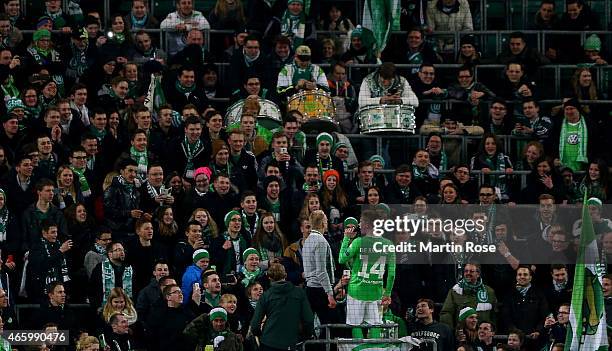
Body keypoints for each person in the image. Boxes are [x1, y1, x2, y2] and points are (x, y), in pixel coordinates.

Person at [338, 209, 396, 338]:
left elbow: (341, 259)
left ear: (367, 224)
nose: (359, 225)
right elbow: (391, 274)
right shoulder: (389, 244)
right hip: (376, 292)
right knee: (375, 324)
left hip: (356, 291)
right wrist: (387, 293)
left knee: (355, 325)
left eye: (361, 222)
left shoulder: (358, 242)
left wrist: (346, 238)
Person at [250, 263, 314, 349]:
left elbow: (254, 325)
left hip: (268, 342)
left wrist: (261, 335)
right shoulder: (299, 293)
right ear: (286, 275)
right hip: (291, 342)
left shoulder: (265, 296)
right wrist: (305, 336)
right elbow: (309, 319)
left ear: (269, 277)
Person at [303, 210, 337, 328]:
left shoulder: (307, 240)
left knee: (313, 325)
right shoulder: (320, 241)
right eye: (326, 221)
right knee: (326, 326)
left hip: (310, 289)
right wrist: (330, 293)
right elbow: (321, 271)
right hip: (319, 290)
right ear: (323, 223)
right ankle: (326, 347)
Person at [439, 263, 497, 330]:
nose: (468, 273)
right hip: (462, 334)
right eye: (466, 271)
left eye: (471, 271)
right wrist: (450, 332)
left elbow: (494, 315)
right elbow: (446, 313)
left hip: (482, 334)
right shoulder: (455, 291)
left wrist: (492, 331)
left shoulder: (489, 292)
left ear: (478, 274)